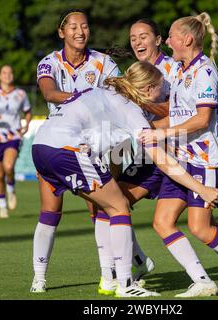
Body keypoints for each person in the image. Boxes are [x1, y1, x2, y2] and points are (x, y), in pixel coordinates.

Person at [30, 61, 218, 297]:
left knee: (103, 206)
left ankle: (102, 277)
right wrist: (200, 188)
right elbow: (161, 160)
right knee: (119, 206)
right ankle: (126, 285)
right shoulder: (131, 110)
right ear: (148, 88)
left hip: (40, 146)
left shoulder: (101, 91)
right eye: (161, 89)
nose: (162, 96)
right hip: (65, 149)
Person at [140, 12, 218, 297]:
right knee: (162, 222)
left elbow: (201, 119)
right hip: (181, 159)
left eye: (171, 36)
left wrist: (161, 134)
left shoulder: (205, 70)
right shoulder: (178, 70)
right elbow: (170, 108)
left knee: (199, 227)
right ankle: (201, 280)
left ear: (186, 39)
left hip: (205, 159)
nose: (168, 41)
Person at [34, 9, 153, 292]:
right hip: (62, 140)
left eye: (85, 26)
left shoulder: (104, 63)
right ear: (61, 32)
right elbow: (49, 93)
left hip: (103, 143)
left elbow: (122, 94)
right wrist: (83, 99)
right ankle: (39, 278)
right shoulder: (49, 62)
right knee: (51, 211)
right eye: (73, 26)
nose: (80, 31)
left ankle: (108, 274)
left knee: (102, 205)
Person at [95, 18, 177, 296]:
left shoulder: (173, 69)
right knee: (110, 202)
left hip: (173, 151)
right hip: (145, 153)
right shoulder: (134, 72)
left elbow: (184, 110)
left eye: (144, 36)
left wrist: (142, 102)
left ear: (159, 39)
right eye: (133, 37)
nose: (138, 42)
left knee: (199, 223)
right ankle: (126, 268)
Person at [0, 65, 32, 219]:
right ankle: (2, 207)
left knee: (9, 167)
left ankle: (11, 190)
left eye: (10, 72)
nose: (7, 75)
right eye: (4, 72)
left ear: (13, 75)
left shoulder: (21, 94)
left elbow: (28, 112)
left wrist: (27, 124)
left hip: (13, 136)